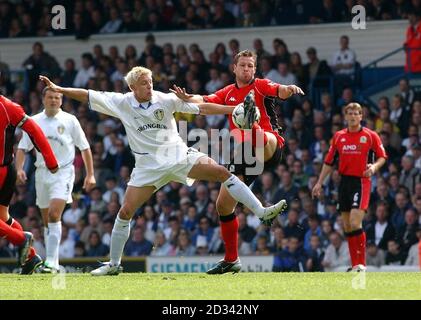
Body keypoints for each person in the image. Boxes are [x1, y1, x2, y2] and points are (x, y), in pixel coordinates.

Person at [39, 65, 288, 276]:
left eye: (150, 82)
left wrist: (232, 110)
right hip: (147, 167)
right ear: (133, 87)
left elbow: (202, 107)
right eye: (145, 83)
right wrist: (60, 89)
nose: (150, 86)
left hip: (178, 156)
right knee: (125, 211)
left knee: (223, 172)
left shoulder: (165, 99)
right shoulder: (121, 103)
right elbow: (87, 94)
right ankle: (114, 265)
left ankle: (262, 211)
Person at [171, 49, 303, 274]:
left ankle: (251, 122)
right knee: (223, 205)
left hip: (270, 145)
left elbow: (279, 90)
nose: (247, 69)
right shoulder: (228, 92)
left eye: (251, 66)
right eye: (243, 65)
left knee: (260, 136)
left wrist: (288, 89)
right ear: (234, 68)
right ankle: (232, 259)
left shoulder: (260, 85)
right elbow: (203, 101)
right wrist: (187, 98)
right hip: (246, 153)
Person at [15, 87, 95, 273]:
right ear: (43, 99)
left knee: (53, 214)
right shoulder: (33, 121)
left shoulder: (70, 120)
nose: (54, 100)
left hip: (63, 172)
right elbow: (22, 148)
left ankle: (50, 261)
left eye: (57, 97)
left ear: (62, 100)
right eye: (50, 97)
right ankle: (54, 263)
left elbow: (85, 147)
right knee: (46, 221)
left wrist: (90, 174)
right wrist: (19, 169)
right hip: (41, 173)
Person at [312, 102, 388, 272]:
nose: (353, 116)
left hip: (361, 181)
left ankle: (361, 263)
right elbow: (329, 161)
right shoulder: (339, 136)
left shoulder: (370, 135)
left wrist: (374, 167)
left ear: (361, 116)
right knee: (347, 226)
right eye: (350, 113)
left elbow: (383, 156)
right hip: (344, 183)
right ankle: (355, 265)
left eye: (356, 113)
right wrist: (319, 182)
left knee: (355, 221)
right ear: (345, 116)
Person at [0, 95, 58, 274]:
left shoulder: (7, 107)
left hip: (2, 171)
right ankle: (31, 257)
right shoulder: (9, 106)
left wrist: (51, 160)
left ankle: (20, 239)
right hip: (7, 170)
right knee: (2, 217)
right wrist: (51, 161)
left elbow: (35, 130)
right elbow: (34, 130)